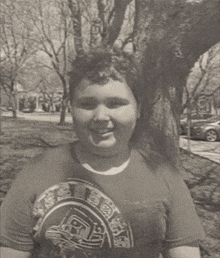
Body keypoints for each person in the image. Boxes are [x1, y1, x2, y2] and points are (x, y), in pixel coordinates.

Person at [0, 49, 204, 258]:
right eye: (87, 104)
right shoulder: (37, 171)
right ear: (71, 108)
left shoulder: (164, 175)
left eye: (115, 103)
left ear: (139, 108)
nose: (100, 116)